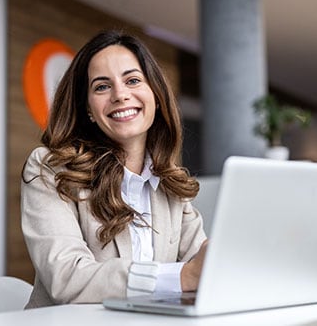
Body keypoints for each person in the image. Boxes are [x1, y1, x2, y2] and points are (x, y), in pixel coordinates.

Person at [21, 29, 208, 308]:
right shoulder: (50, 169)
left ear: (155, 95)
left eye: (133, 80)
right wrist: (182, 277)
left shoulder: (170, 185)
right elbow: (67, 278)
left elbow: (203, 265)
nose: (120, 95)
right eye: (102, 86)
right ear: (87, 108)